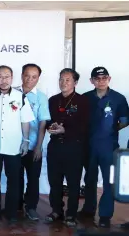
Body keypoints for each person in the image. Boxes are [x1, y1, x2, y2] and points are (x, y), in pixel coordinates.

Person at [80, 67, 129, 228]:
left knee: (109, 181)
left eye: (104, 78)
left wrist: (110, 130)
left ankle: (105, 215)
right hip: (89, 145)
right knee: (90, 179)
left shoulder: (118, 98)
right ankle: (88, 209)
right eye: (97, 78)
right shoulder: (85, 98)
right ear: (91, 81)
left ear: (109, 79)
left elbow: (124, 121)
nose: (101, 81)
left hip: (109, 146)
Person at [0, 65, 33, 223]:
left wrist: (26, 141)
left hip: (13, 146)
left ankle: (12, 211)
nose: (4, 80)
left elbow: (25, 120)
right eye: (0, 76)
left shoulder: (20, 96)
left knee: (13, 180)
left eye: (7, 76)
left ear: (12, 78)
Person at [44, 68, 89, 227]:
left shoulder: (82, 101)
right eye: (61, 79)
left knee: (73, 183)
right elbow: (47, 120)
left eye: (68, 80)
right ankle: (56, 210)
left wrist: (66, 130)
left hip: (74, 147)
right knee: (54, 181)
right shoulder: (52, 100)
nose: (63, 82)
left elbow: (85, 126)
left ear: (75, 82)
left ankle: (71, 214)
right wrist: (51, 126)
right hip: (55, 146)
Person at [14, 63, 51, 221]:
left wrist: (38, 147)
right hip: (14, 144)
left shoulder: (41, 97)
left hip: (34, 144)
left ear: (38, 78)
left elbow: (43, 123)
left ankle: (31, 208)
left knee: (33, 178)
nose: (30, 79)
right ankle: (16, 206)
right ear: (22, 75)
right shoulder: (13, 92)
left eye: (34, 77)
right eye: (27, 75)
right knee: (16, 177)